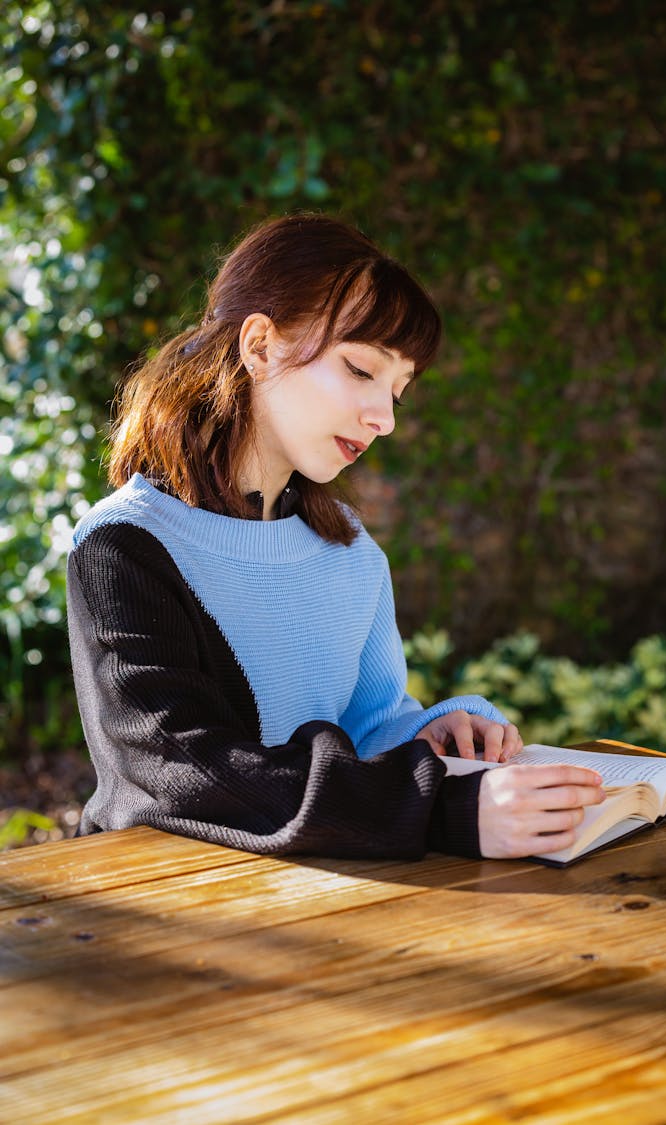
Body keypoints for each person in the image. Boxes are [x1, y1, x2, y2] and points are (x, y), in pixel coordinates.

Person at [67, 214, 605, 861]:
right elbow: (189, 770)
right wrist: (439, 809)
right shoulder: (123, 547)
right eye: (360, 370)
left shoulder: (348, 549)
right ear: (260, 346)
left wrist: (436, 731)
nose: (383, 419)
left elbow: (372, 725)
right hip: (154, 909)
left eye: (398, 393)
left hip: (324, 901)